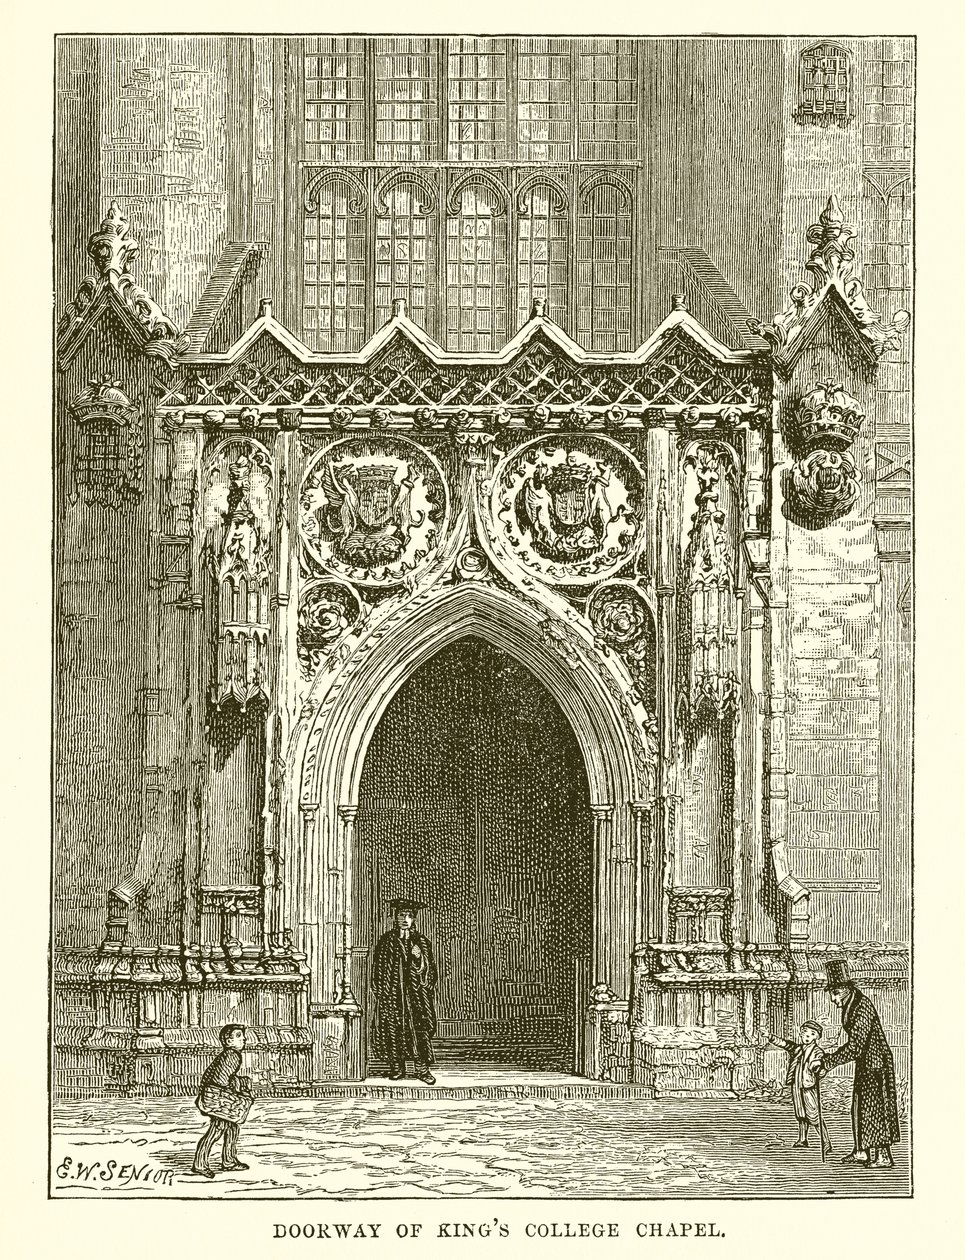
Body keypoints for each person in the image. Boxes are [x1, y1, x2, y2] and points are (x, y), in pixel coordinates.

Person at [822, 959, 900, 1169]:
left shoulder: (861, 1006)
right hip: (866, 1063)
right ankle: (861, 1152)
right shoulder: (852, 1004)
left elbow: (856, 1046)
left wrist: (828, 1062)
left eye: (836, 992)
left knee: (875, 1108)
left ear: (846, 989)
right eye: (832, 992)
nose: (832, 998)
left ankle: (883, 1156)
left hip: (876, 1064)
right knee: (859, 1107)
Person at [371, 898, 438, 1084]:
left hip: (415, 997)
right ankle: (396, 1067)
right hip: (393, 996)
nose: (405, 919)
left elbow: (431, 973)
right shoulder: (386, 942)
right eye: (402, 915)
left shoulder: (421, 942)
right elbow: (377, 972)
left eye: (409, 916)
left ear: (414, 919)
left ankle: (422, 1069)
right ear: (395, 917)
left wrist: (420, 958)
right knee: (393, 1029)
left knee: (418, 1031)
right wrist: (384, 994)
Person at [191, 1023, 253, 1178]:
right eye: (238, 1036)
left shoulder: (229, 1055)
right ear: (227, 1040)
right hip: (219, 1098)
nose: (243, 1039)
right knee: (218, 1128)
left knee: (232, 1127)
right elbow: (221, 1080)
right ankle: (200, 1164)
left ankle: (229, 1161)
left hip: (218, 1096)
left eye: (242, 1035)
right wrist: (239, 1087)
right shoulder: (232, 1055)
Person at [769, 1020, 832, 1155]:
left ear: (816, 1037)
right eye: (804, 1033)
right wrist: (769, 1037)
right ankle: (802, 1139)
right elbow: (784, 1044)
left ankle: (825, 1142)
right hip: (797, 1084)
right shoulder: (798, 1049)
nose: (806, 1036)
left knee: (814, 1115)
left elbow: (823, 1069)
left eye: (811, 1034)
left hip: (809, 1085)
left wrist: (819, 1069)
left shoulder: (818, 1052)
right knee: (801, 1114)